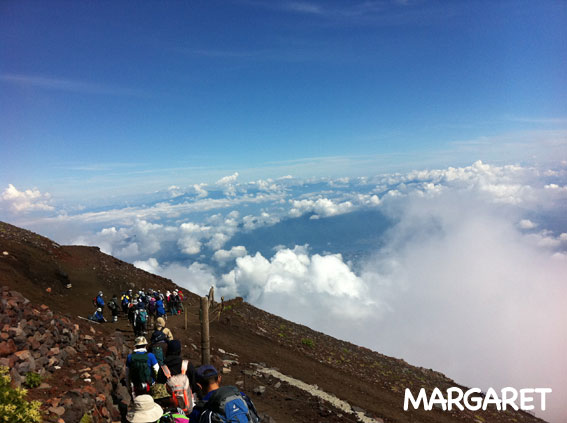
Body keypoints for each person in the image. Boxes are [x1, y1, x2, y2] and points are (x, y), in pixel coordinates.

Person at [189, 365, 259, 423]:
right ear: (219, 378)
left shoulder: (200, 409)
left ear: (199, 386)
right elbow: (255, 418)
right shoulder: (242, 396)